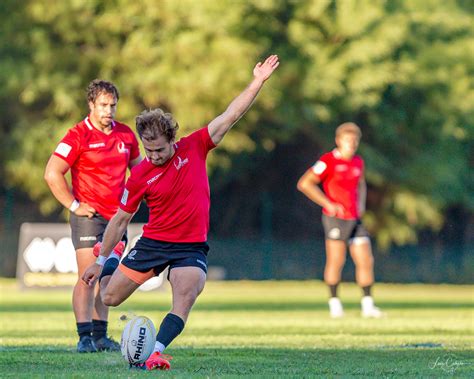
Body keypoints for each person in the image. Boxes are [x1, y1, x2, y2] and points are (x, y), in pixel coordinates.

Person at [82, 55, 280, 370]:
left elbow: (231, 115)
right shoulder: (140, 175)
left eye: (160, 149)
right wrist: (101, 260)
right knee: (108, 297)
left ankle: (155, 352)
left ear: (172, 139)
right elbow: (120, 219)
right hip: (153, 244)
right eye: (148, 150)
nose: (154, 156)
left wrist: (257, 81)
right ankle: (118, 255)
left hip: (190, 246)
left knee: (186, 294)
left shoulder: (196, 146)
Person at [44, 79, 142, 353]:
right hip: (89, 217)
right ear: (91, 105)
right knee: (88, 276)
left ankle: (100, 336)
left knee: (107, 276)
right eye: (102, 105)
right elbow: (52, 173)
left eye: (112, 105)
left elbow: (141, 173)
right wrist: (74, 205)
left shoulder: (126, 135)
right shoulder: (77, 135)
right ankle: (84, 336)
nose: (108, 110)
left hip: (118, 219)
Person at [297, 122, 383, 318]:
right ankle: (335, 304)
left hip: (355, 218)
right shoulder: (328, 161)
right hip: (335, 219)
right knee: (336, 261)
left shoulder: (358, 162)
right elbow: (304, 183)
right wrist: (328, 203)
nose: (351, 145)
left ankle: (368, 306)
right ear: (338, 141)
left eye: (355, 141)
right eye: (348, 140)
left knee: (366, 260)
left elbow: (361, 184)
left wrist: (360, 205)